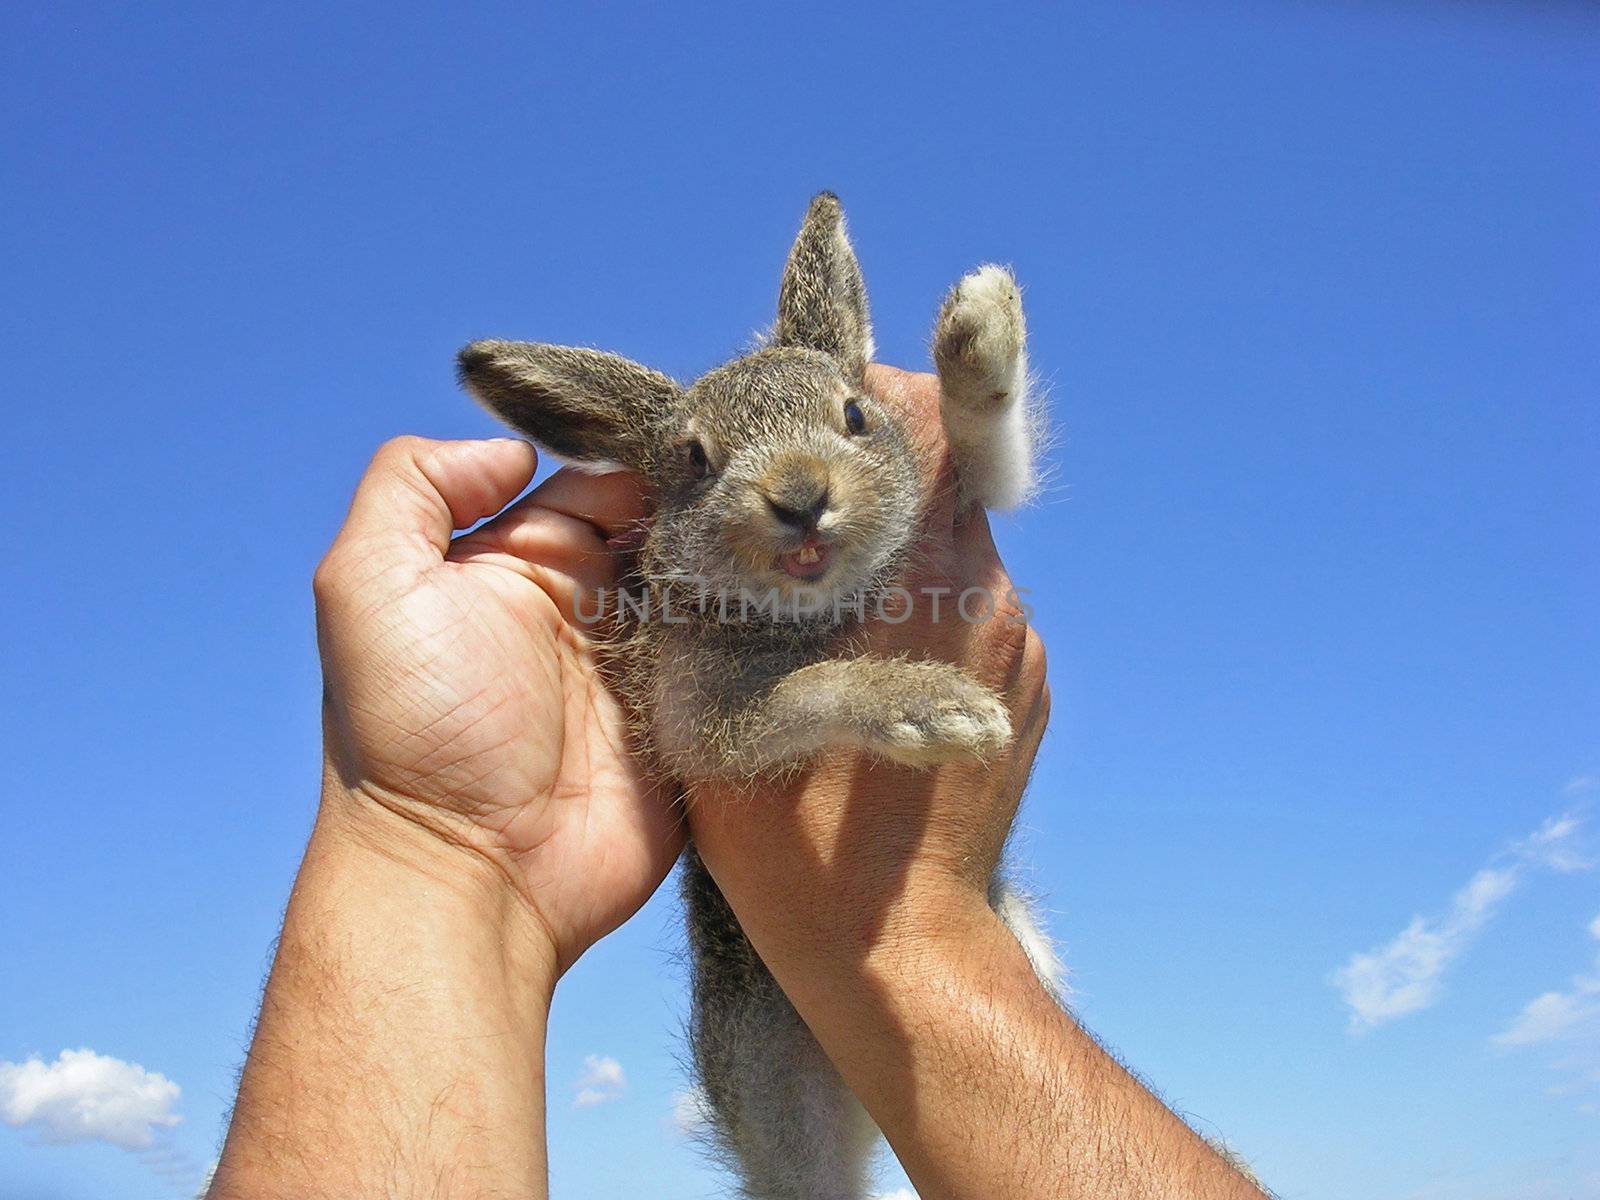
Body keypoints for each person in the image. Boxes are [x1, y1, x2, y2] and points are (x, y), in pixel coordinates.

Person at [207, 365, 1266, 1199]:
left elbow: (976, 470)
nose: (799, 487)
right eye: (705, 466)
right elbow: (717, 727)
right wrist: (437, 829)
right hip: (748, 976)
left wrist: (432, 842)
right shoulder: (680, 611)